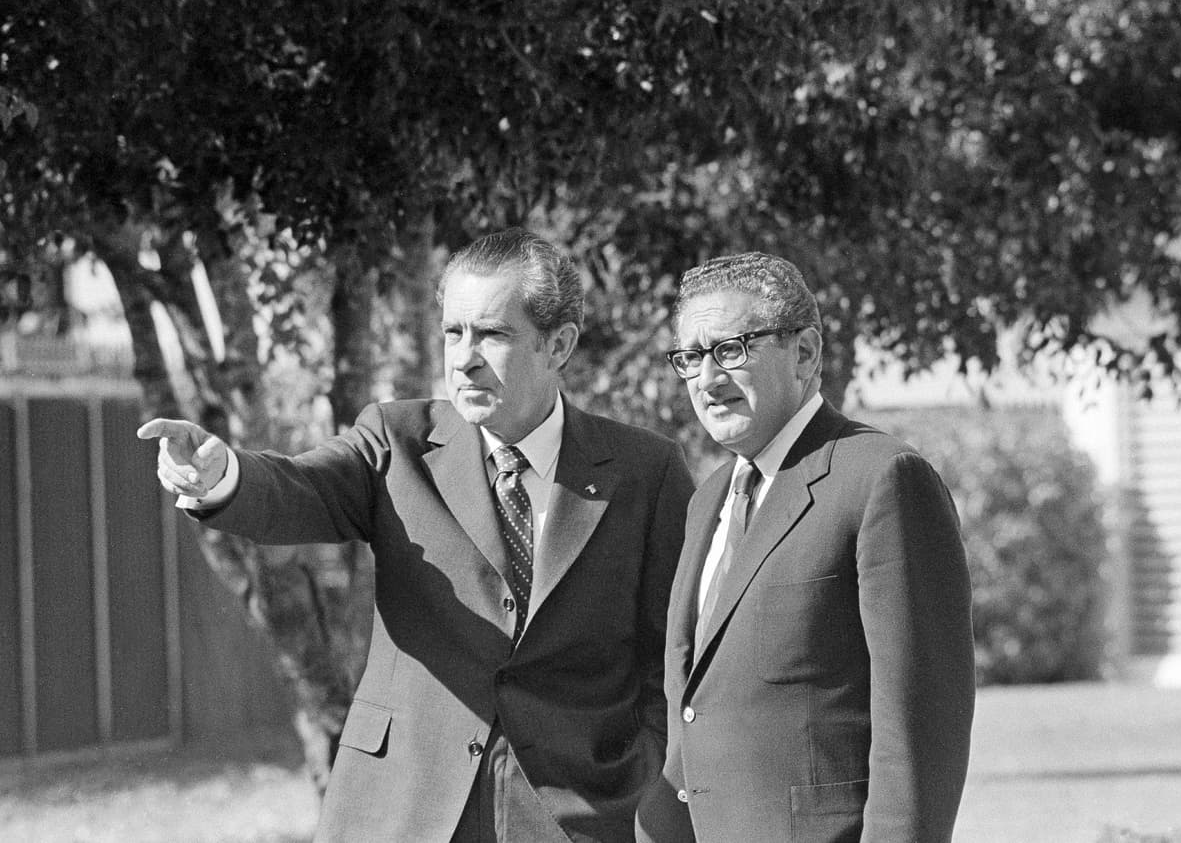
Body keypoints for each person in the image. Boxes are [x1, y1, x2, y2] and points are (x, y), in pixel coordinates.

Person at [139, 228, 695, 843]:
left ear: (557, 344)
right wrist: (223, 475)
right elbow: (302, 488)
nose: (464, 357)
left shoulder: (646, 472)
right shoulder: (395, 441)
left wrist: (644, 787)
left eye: (492, 334)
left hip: (577, 816)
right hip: (403, 810)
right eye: (453, 332)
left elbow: (669, 659)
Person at [635, 252, 975, 843]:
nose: (707, 379)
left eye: (732, 349)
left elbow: (921, 729)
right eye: (690, 358)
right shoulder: (707, 498)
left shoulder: (881, 478)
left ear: (806, 353)